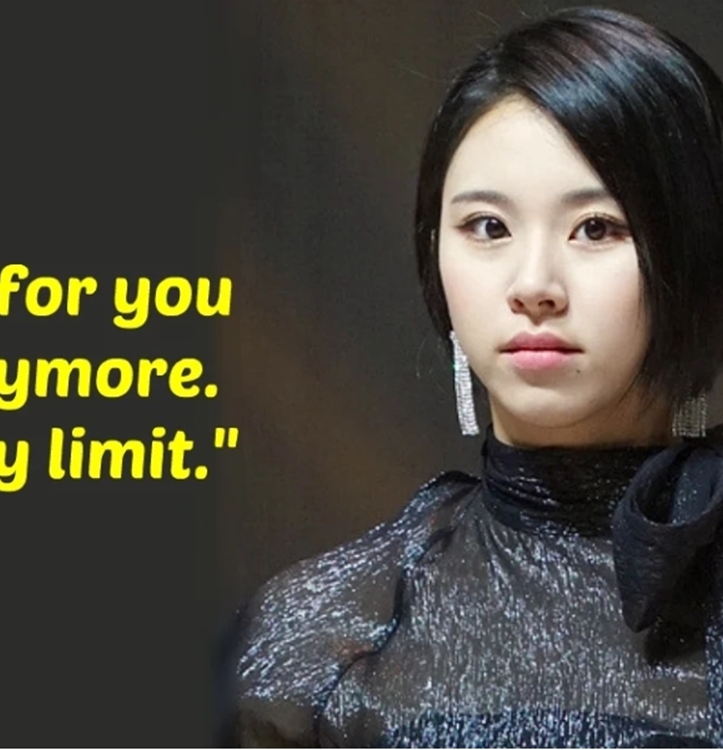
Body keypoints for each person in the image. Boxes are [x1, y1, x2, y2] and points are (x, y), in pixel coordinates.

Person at [229, 7, 723, 747]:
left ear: (698, 252)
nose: (533, 285)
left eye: (596, 227)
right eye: (487, 227)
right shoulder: (317, 641)